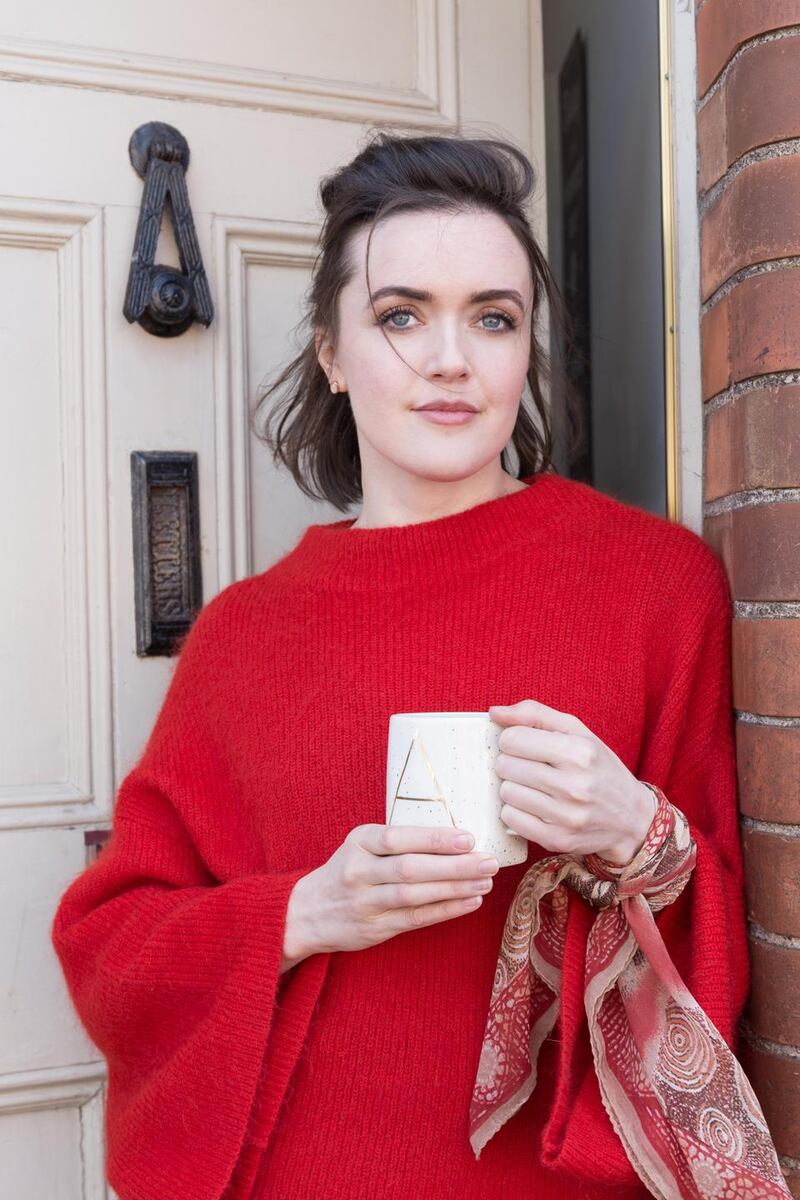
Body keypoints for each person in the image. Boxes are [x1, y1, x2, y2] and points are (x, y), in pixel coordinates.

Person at [51, 132, 753, 1200]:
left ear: (524, 351)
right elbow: (111, 945)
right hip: (305, 1172)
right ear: (331, 353)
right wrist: (305, 912)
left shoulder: (657, 587)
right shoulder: (245, 635)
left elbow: (728, 920)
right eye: (399, 315)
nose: (449, 359)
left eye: (492, 317)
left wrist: (633, 830)